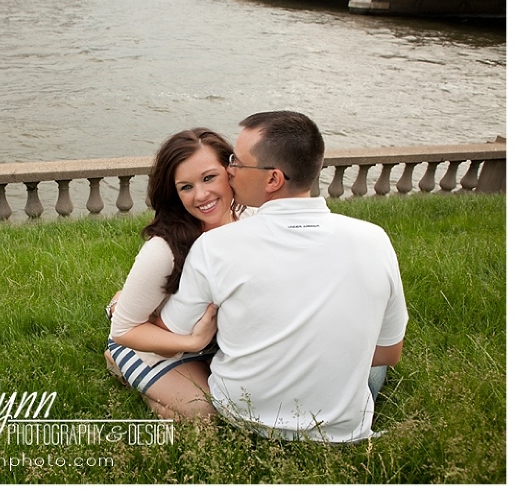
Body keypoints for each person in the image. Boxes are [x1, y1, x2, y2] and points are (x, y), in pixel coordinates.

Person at [150, 111, 408, 442]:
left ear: (273, 179)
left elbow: (169, 336)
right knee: (370, 366)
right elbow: (389, 353)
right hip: (342, 429)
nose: (229, 170)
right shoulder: (375, 239)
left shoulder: (215, 246)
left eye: (237, 162)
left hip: (244, 417)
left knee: (137, 351)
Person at [105, 128, 247, 419]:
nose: (201, 195)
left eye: (209, 178)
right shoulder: (163, 249)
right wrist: (192, 343)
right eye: (186, 187)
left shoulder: (250, 219)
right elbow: (125, 331)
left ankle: (121, 302)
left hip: (216, 342)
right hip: (156, 346)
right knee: (205, 413)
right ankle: (120, 361)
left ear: (230, 171)